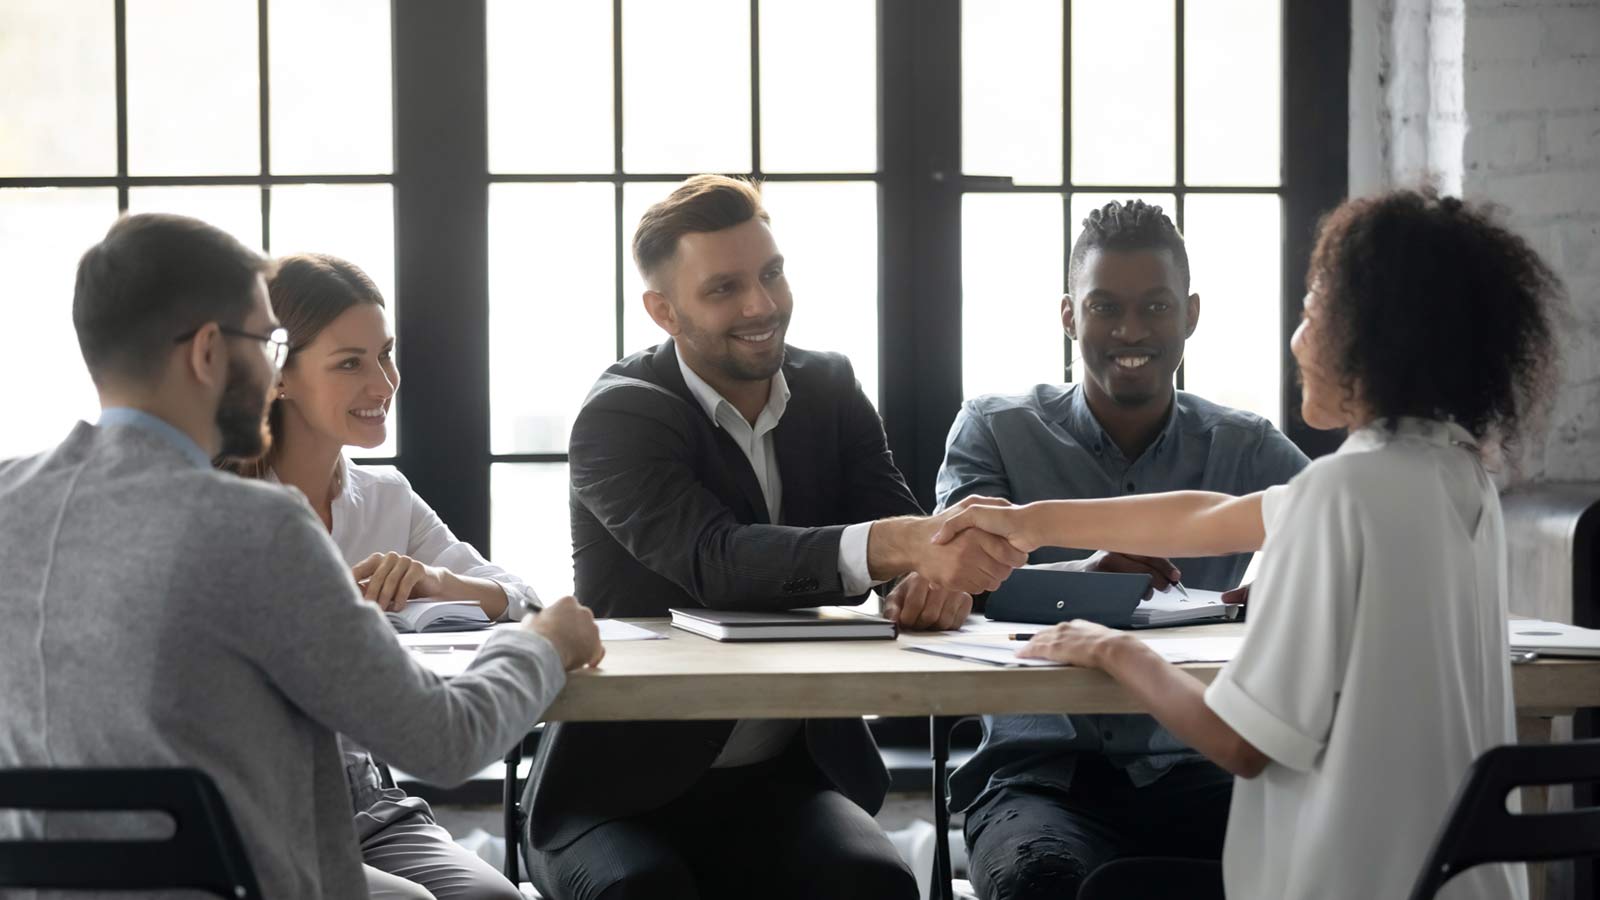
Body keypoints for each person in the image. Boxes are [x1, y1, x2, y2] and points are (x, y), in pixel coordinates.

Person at [931, 189, 1560, 900]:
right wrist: (1034, 523)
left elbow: (1240, 744)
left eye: (1313, 316)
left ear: (1375, 337)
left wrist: (1112, 648)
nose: (1296, 340)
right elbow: (1210, 519)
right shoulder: (1454, 473)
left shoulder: (1340, 493)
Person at [0, 212, 604, 899]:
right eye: (266, 340)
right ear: (208, 353)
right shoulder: (256, 526)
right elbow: (445, 742)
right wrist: (543, 643)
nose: (271, 364)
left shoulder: (8, 499)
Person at [521, 175, 1025, 900]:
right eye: (723, 288)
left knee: (876, 885)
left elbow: (905, 552)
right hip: (617, 791)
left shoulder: (829, 387)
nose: (761, 305)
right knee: (645, 895)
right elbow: (717, 561)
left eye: (772, 273)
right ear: (663, 311)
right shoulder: (619, 417)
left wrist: (932, 584)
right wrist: (902, 547)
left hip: (784, 779)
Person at [932, 199, 1308, 899]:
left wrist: (1291, 583)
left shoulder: (1247, 446)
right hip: (1039, 776)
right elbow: (956, 581)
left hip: (1202, 763)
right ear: (1069, 315)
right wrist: (1084, 575)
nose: (1131, 330)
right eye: (1105, 308)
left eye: (1156, 308)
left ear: (1190, 314)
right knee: (1040, 883)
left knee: (1300, 865)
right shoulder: (994, 428)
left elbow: (1334, 537)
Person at [233, 252, 534, 899]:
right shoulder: (222, 506)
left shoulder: (385, 498)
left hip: (366, 800)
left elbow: (524, 602)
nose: (384, 382)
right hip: (252, 803)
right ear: (278, 375)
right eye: (350, 363)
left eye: (385, 355)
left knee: (495, 898)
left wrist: (442, 581)